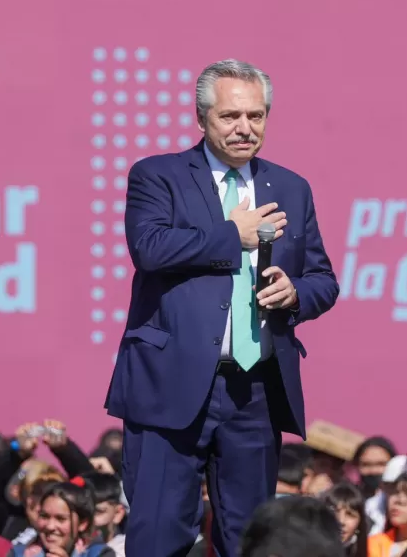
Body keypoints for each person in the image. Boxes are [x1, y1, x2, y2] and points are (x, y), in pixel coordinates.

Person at [104, 58, 341, 557]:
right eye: (231, 116)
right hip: (170, 381)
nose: (244, 128)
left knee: (252, 538)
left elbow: (323, 279)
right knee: (159, 534)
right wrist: (234, 234)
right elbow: (149, 248)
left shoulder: (291, 188)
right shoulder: (159, 175)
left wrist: (296, 293)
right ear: (201, 116)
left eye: (256, 117)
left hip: (254, 387)